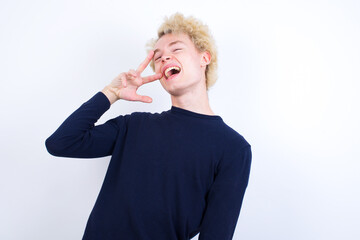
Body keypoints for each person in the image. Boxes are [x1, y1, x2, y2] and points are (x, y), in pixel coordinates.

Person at [46, 12, 252, 240]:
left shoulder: (233, 148)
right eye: (158, 57)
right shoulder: (134, 126)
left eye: (176, 49)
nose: (164, 58)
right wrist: (111, 93)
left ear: (205, 58)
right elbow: (61, 143)